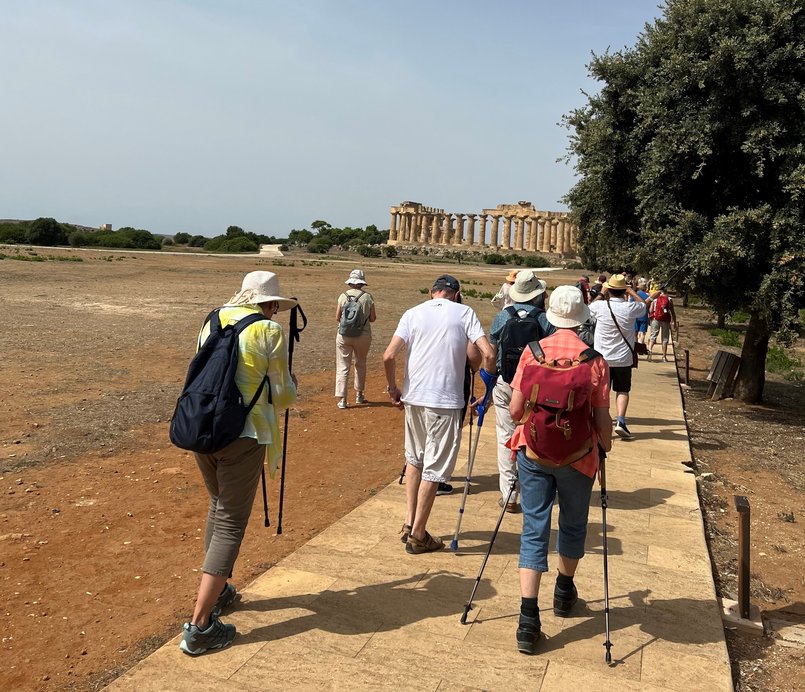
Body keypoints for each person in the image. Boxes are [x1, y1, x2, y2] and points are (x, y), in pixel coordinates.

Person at [179, 271, 298, 656]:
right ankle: (200, 624)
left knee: (217, 507)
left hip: (202, 428)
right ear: (270, 304)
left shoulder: (212, 318)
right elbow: (281, 395)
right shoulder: (268, 331)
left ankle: (218, 591)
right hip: (245, 435)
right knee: (231, 520)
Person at [508, 285, 612, 655]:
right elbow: (602, 419)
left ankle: (527, 619)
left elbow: (516, 412)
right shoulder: (595, 361)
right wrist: (606, 447)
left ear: (549, 314)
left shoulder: (532, 353)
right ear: (582, 318)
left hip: (534, 452)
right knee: (573, 524)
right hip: (579, 456)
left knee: (533, 529)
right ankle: (564, 591)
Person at [383, 274, 495, 554]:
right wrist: (487, 386)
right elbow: (488, 354)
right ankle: (419, 534)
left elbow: (388, 355)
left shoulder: (412, 313)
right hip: (445, 399)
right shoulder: (464, 312)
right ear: (456, 294)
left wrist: (393, 389)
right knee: (435, 466)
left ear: (432, 292)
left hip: (414, 397)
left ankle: (409, 522)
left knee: (414, 458)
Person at [488, 270, 555, 513]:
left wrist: (490, 377)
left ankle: (509, 494)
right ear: (540, 295)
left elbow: (491, 350)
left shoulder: (503, 317)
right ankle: (533, 491)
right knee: (534, 436)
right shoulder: (546, 320)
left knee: (505, 436)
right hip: (537, 386)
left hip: (506, 383)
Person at [588, 274, 650, 439]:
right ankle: (620, 421)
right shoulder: (630, 308)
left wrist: (602, 292)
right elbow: (644, 305)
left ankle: (600, 422)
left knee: (602, 392)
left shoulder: (600, 306)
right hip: (623, 358)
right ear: (624, 291)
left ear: (609, 289)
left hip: (602, 358)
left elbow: (588, 308)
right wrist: (632, 291)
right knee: (622, 390)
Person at [335, 269, 376, 409]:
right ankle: (359, 395)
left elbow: (337, 317)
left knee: (343, 366)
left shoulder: (342, 296)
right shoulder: (368, 297)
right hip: (363, 335)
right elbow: (373, 318)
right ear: (362, 282)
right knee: (360, 364)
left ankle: (342, 399)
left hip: (344, 335)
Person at [646, 285, 677, 362]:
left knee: (653, 336)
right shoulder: (669, 299)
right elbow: (672, 311)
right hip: (665, 320)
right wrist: (674, 322)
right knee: (665, 338)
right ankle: (664, 357)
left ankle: (649, 351)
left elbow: (650, 310)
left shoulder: (655, 299)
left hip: (655, 319)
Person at [632, 277, 650, 346]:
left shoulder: (634, 295)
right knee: (642, 333)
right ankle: (640, 346)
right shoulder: (647, 296)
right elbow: (650, 307)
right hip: (644, 316)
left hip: (635, 316)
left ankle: (635, 347)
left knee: (635, 332)